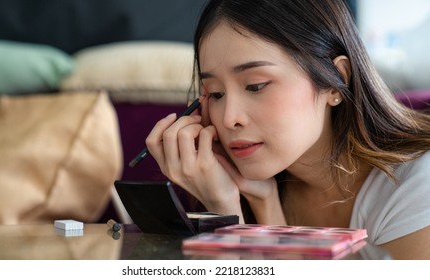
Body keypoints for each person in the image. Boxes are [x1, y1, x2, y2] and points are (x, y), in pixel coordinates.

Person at [145, 0, 430, 259]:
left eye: (255, 86)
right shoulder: (259, 185)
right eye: (216, 94)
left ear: (335, 81)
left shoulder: (416, 186)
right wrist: (242, 206)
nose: (229, 118)